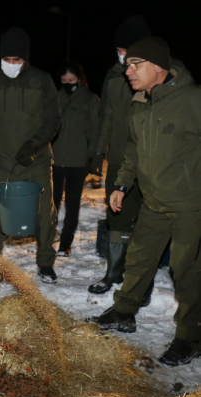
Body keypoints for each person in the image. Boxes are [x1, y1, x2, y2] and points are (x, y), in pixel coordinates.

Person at [86, 37, 201, 366]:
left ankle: (190, 336)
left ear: (159, 68)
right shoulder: (140, 102)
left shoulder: (192, 99)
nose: (128, 70)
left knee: (186, 272)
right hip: (153, 201)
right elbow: (134, 150)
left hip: (189, 205)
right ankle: (123, 312)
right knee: (138, 261)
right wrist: (122, 183)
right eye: (127, 64)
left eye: (136, 64)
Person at [87, 16, 192, 297]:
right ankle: (114, 272)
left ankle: (141, 284)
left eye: (130, 53)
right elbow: (106, 116)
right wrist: (99, 150)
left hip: (158, 164)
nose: (124, 61)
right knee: (117, 217)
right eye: (120, 53)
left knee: (151, 224)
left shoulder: (171, 72)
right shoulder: (113, 75)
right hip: (123, 159)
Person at [0, 27, 61, 295]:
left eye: (16, 60)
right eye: (6, 60)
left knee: (45, 215)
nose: (11, 65)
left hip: (37, 160)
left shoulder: (41, 81)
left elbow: (53, 119)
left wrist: (33, 145)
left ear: (25, 58)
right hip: (3, 163)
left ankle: (45, 263)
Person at [52, 62, 100, 256]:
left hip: (77, 161)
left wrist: (94, 156)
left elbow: (95, 130)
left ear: (79, 79)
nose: (67, 84)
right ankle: (47, 237)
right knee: (50, 203)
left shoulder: (89, 99)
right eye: (63, 80)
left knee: (72, 203)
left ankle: (65, 243)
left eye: (70, 80)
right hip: (54, 160)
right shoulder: (55, 97)